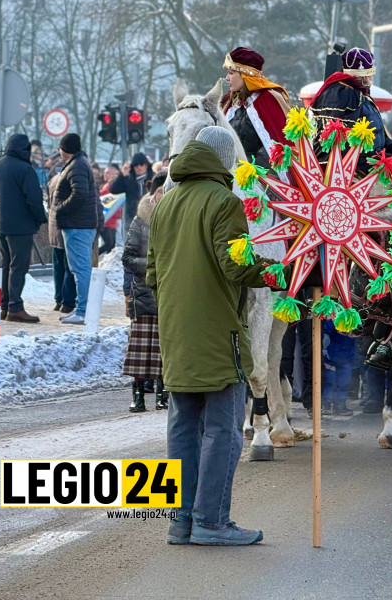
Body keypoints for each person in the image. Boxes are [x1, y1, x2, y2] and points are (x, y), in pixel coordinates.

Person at [147, 126, 269, 546]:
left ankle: (180, 522)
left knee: (182, 428)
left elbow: (151, 273)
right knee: (224, 430)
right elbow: (235, 265)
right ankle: (212, 522)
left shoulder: (164, 204)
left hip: (176, 334)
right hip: (219, 334)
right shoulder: (225, 201)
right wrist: (282, 271)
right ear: (223, 159)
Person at [310, 47, 392, 175]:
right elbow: (343, 145)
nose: (371, 79)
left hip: (367, 168)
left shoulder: (360, 95)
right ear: (362, 77)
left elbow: (375, 131)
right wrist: (378, 159)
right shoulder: (343, 95)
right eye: (369, 76)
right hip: (348, 173)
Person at [0, 133, 48, 323]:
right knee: (18, 266)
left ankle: (4, 306)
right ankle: (15, 307)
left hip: (1, 224)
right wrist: (40, 218)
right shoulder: (25, 169)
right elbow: (34, 199)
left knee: (5, 265)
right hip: (21, 226)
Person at [122, 172, 167, 413]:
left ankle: (163, 393)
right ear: (153, 193)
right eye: (160, 190)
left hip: (169, 293)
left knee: (165, 350)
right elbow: (127, 258)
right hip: (143, 292)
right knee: (140, 352)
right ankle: (138, 395)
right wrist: (153, 265)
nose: (163, 195)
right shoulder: (140, 221)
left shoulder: (176, 217)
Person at [54, 133, 99, 325]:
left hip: (77, 225)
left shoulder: (77, 165)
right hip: (78, 224)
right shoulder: (79, 163)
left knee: (80, 269)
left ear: (65, 149)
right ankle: (82, 309)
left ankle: (83, 311)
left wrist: (60, 208)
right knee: (79, 268)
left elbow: (79, 194)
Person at [219, 47, 292, 161]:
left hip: (261, 174)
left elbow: (279, 143)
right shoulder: (229, 101)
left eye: (231, 73)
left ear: (245, 74)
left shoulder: (268, 98)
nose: (227, 78)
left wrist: (252, 170)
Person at [46, 172, 76, 315]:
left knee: (58, 266)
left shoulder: (53, 179)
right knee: (69, 266)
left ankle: (59, 299)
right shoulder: (71, 179)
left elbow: (49, 204)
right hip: (67, 227)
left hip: (54, 228)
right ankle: (67, 301)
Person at [110, 151, 152, 228]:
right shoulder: (129, 180)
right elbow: (114, 190)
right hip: (132, 219)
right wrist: (122, 175)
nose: (139, 167)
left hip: (150, 218)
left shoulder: (154, 179)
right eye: (136, 165)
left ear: (146, 165)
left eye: (141, 164)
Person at [99, 164, 122, 255]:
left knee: (111, 244)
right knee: (109, 243)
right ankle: (93, 256)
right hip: (107, 220)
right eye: (105, 173)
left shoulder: (113, 186)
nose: (105, 175)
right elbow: (101, 194)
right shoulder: (108, 186)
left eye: (108, 173)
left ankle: (107, 262)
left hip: (112, 220)